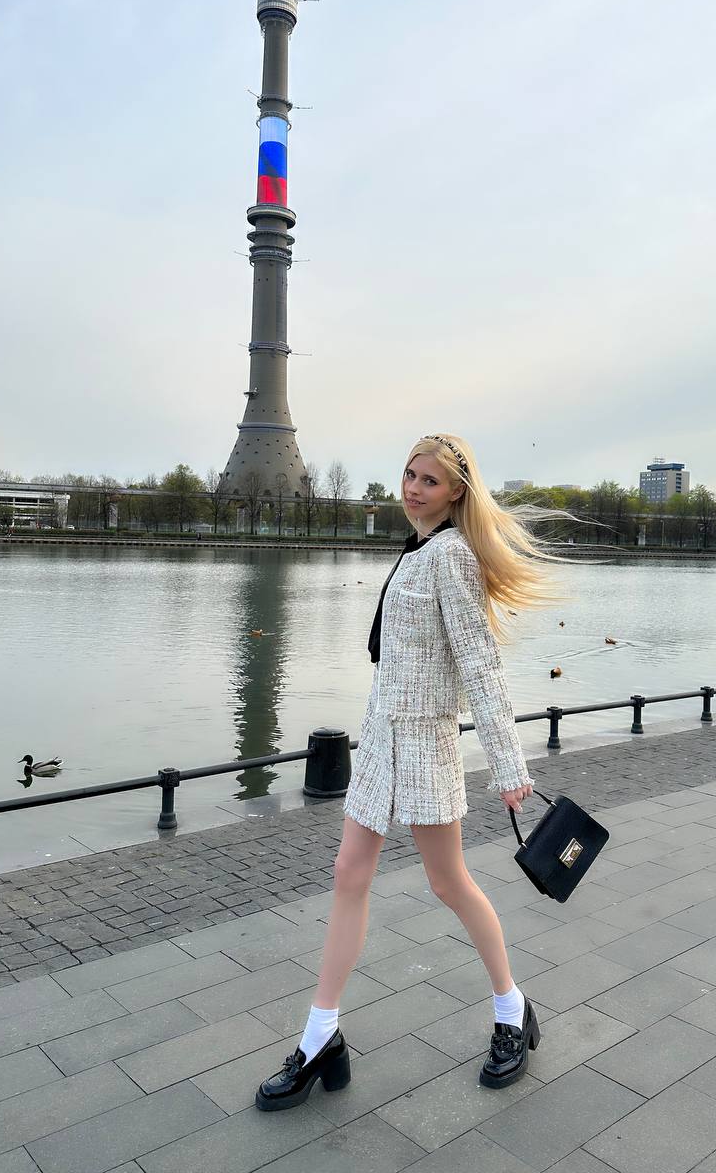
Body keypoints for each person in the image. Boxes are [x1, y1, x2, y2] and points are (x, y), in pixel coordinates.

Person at [256, 432, 574, 1111]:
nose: (413, 489)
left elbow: (480, 664)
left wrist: (508, 764)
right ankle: (320, 1037)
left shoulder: (451, 556)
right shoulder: (419, 549)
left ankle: (512, 1008)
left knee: (448, 882)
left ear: (457, 490)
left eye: (429, 480)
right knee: (349, 874)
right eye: (409, 475)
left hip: (425, 745)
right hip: (381, 743)